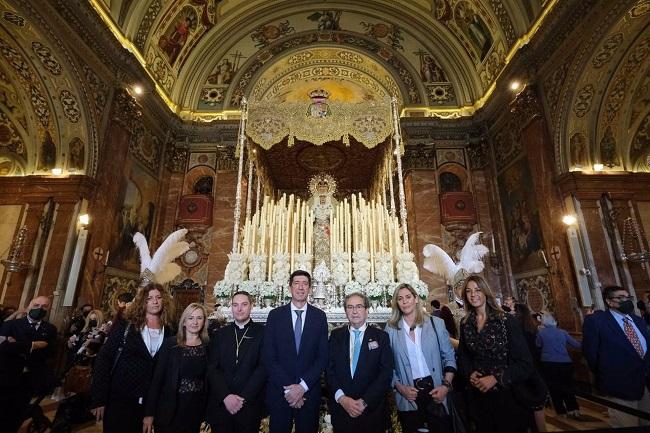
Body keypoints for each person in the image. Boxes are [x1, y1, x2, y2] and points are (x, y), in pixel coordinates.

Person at [91, 283, 175, 433]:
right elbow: (104, 359)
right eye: (149, 298)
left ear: (164, 301)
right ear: (143, 301)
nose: (155, 301)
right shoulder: (126, 326)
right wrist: (99, 398)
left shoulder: (169, 330)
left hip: (150, 404)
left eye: (158, 297)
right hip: (120, 399)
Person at [457, 275, 534, 433]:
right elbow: (464, 357)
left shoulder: (506, 321)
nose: (473, 295)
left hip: (508, 397)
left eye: (477, 290)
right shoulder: (465, 323)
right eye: (469, 291)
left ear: (485, 292)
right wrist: (469, 372)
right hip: (479, 399)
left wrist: (495, 378)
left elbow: (525, 364)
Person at [262, 270, 328, 433]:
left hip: (308, 393)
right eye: (297, 283)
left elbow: (322, 357)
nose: (301, 287)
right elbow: (269, 356)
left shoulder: (319, 317)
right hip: (280, 392)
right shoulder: (275, 315)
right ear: (290, 287)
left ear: (310, 289)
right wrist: (290, 389)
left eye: (305, 284)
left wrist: (302, 387)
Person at [386, 283, 457, 433]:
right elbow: (387, 366)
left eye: (408, 297)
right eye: (400, 298)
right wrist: (400, 388)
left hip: (436, 390)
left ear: (416, 299)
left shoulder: (436, 324)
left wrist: (445, 386)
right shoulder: (391, 329)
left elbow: (449, 357)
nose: (405, 301)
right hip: (408, 394)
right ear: (396, 303)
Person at [582, 285, 650, 427]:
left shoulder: (638, 320)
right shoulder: (597, 321)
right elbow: (591, 354)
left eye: (627, 297)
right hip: (619, 385)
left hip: (645, 384)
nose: (626, 300)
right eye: (620, 297)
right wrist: (606, 376)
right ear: (609, 301)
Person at [327, 292, 393, 433]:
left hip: (372, 412)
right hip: (342, 411)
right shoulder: (336, 336)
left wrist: (364, 402)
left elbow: (386, 373)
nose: (355, 311)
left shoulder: (381, 337)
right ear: (345, 312)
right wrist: (342, 398)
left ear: (367, 310)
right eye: (350, 307)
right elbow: (329, 370)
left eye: (359, 306)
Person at [144, 303, 209, 433]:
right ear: (184, 321)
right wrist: (149, 413)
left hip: (196, 411)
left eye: (199, 318)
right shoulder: (171, 344)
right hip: (170, 410)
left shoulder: (209, 346)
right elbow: (157, 379)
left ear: (204, 321)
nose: (195, 322)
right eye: (190, 318)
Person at [207, 291, 266, 433]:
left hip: (249, 405)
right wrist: (226, 396)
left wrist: (243, 398)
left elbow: (263, 368)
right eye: (235, 305)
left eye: (244, 304)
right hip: (223, 404)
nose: (239, 309)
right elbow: (213, 368)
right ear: (231, 307)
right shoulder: (220, 334)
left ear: (251, 306)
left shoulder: (262, 332)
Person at [0, 295, 57, 433]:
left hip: (29, 380)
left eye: (44, 306)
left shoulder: (50, 329)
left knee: (17, 415)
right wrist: (32, 345)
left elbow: (50, 352)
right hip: (6, 377)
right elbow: (3, 347)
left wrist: (17, 344)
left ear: (48, 308)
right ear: (29, 306)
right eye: (37, 305)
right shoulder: (11, 325)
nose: (40, 308)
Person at [537, 313, 582, 418]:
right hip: (565, 362)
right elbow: (576, 345)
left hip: (548, 363)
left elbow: (538, 345)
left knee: (554, 387)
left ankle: (560, 410)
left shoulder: (541, 334)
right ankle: (573, 409)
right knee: (568, 386)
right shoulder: (563, 332)